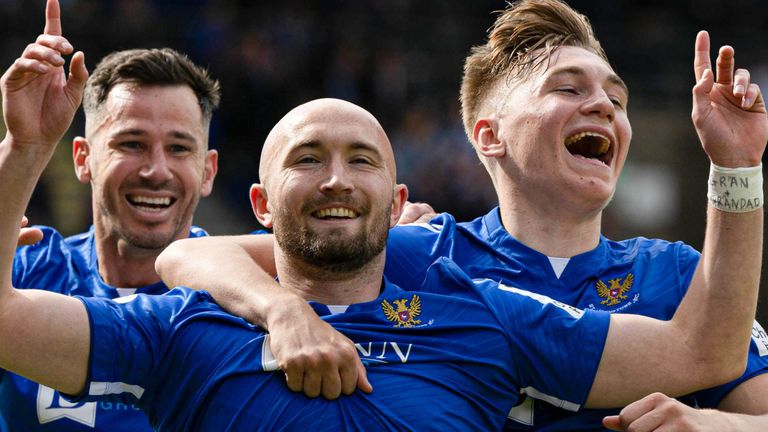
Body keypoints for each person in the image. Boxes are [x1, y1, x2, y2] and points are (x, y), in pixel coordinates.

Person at [0, 5, 765, 425]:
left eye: (364, 159)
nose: (337, 178)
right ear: (257, 205)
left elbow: (706, 351)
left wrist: (735, 171)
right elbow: (175, 261)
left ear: (400, 205)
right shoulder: (181, 327)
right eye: (307, 159)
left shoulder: (474, 308)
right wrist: (24, 149)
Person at [0, 1, 223, 430]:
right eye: (131, 144)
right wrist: (24, 144)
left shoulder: (244, 297)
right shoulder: (28, 271)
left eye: (179, 148)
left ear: (208, 170)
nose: (155, 171)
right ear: (83, 159)